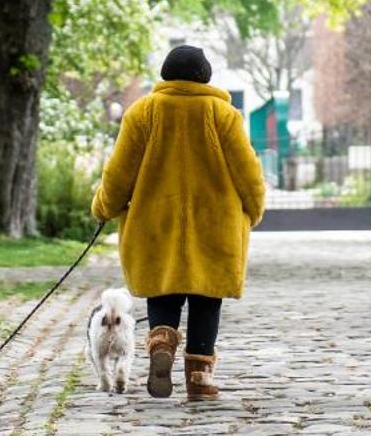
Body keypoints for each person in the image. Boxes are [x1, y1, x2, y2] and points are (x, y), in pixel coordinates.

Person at [90, 43, 265, 401]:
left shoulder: (142, 113)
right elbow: (249, 174)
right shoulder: (225, 115)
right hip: (214, 225)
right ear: (206, 78)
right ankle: (199, 379)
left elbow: (118, 172)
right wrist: (253, 209)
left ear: (165, 76)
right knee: (206, 300)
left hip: (155, 224)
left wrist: (103, 207)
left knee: (162, 291)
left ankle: (161, 341)